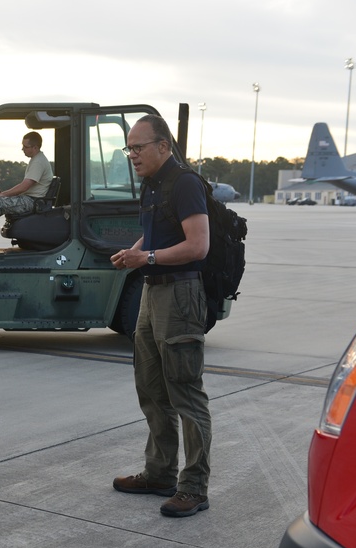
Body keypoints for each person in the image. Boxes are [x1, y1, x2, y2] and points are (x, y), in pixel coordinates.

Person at [109, 114, 212, 518]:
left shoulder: (184, 183)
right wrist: (134, 253)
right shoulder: (152, 185)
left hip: (181, 294)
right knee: (151, 388)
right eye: (128, 148)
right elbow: (154, 237)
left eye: (138, 147)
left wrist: (145, 257)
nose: (132, 155)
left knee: (185, 391)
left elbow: (198, 245)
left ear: (163, 146)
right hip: (152, 294)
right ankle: (159, 474)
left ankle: (194, 487)